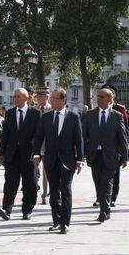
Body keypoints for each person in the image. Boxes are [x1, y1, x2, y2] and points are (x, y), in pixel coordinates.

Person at [33, 88, 84, 234]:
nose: (52, 100)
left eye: (55, 98)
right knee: (54, 192)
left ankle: (65, 223)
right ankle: (56, 220)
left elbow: (78, 140)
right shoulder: (46, 117)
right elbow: (39, 138)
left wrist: (80, 159)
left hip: (68, 161)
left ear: (64, 100)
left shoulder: (73, 117)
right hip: (51, 160)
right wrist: (36, 154)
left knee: (66, 190)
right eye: (52, 98)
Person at [83, 88, 128, 222]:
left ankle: (104, 211)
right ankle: (104, 207)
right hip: (94, 155)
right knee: (98, 184)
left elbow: (122, 138)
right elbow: (82, 136)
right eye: (98, 96)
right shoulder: (90, 115)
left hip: (111, 156)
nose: (98, 99)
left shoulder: (117, 116)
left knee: (106, 183)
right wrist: (81, 154)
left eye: (102, 97)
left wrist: (125, 157)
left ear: (110, 100)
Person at [0, 88, 41, 221]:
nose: (15, 99)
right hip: (12, 155)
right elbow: (5, 135)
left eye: (18, 97)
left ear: (26, 99)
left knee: (30, 185)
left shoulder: (35, 114)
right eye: (14, 97)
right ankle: (6, 209)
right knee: (10, 183)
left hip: (29, 156)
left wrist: (36, 154)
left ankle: (27, 210)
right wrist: (2, 153)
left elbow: (38, 136)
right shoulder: (9, 113)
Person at [100, 84, 128, 208]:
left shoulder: (120, 109)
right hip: (100, 149)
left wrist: (125, 151)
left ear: (113, 96)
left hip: (115, 148)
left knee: (115, 175)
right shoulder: (99, 109)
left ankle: (112, 198)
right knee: (101, 176)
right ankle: (101, 197)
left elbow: (125, 130)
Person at [35, 85, 52, 205]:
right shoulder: (33, 110)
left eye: (44, 96)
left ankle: (45, 194)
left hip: (48, 144)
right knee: (34, 171)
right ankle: (33, 190)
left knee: (46, 171)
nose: (41, 98)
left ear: (48, 97)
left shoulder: (52, 109)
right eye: (39, 96)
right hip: (35, 145)